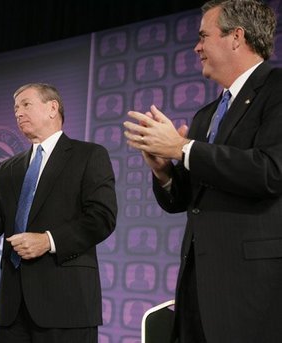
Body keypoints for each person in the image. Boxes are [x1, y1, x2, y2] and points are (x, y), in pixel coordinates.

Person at [123, 1, 282, 342]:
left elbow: (271, 172)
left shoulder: (277, 89)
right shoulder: (206, 115)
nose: (196, 47)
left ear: (236, 37)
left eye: (204, 36)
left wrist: (182, 148)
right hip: (197, 287)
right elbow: (184, 199)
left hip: (255, 293)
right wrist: (165, 171)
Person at [0, 83, 117, 342]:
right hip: (13, 310)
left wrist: (48, 240)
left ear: (52, 108)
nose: (18, 113)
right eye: (15, 108)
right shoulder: (7, 168)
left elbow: (102, 217)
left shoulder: (89, 155)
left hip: (66, 307)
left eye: (26, 104)